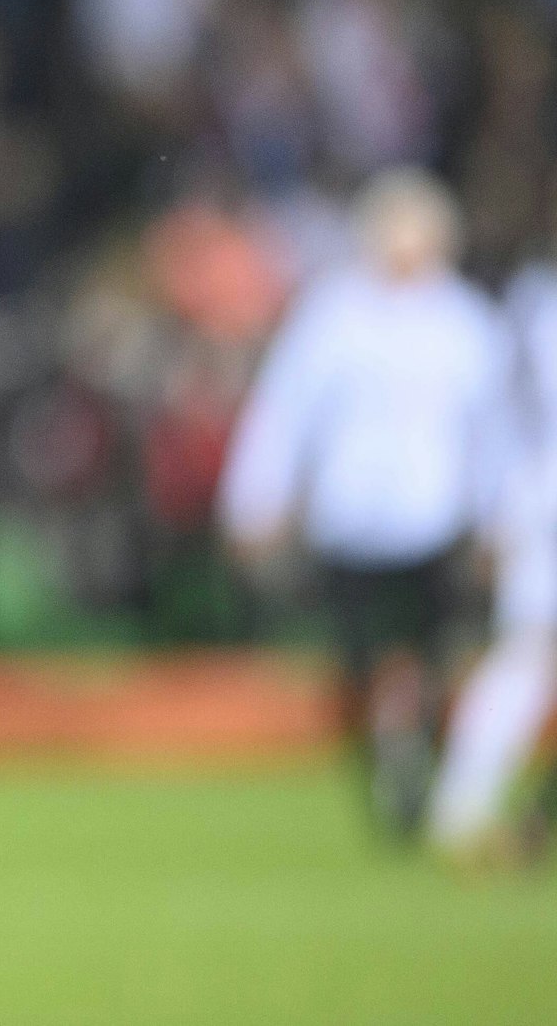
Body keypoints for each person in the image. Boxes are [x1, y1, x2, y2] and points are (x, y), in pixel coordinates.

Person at [220, 169, 509, 838]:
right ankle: (382, 760)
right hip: (350, 521)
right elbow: (285, 412)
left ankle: (419, 764)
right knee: (358, 663)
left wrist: (498, 518)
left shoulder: (465, 322)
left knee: (434, 658)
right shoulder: (334, 315)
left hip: (435, 518)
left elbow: (494, 432)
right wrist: (255, 500)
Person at [428, 210, 557, 862]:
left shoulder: (530, 303)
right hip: (540, 506)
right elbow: (502, 423)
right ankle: (464, 804)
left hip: (533, 502)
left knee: (525, 657)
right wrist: (494, 513)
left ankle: (467, 804)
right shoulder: (533, 308)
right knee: (527, 656)